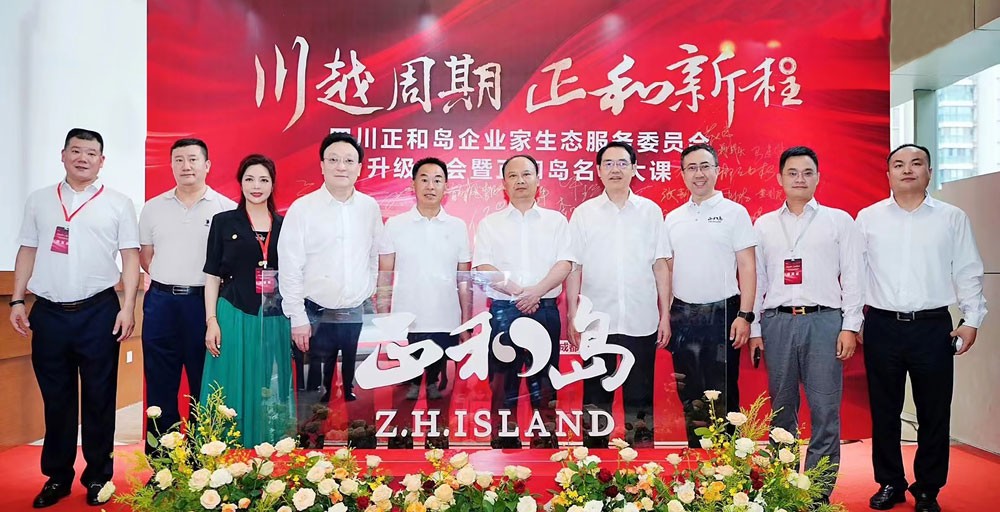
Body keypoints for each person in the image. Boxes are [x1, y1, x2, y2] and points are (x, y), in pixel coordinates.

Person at [9, 128, 140, 508]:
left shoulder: (118, 203)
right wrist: (17, 300)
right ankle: (57, 478)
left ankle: (98, 477)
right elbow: (27, 249)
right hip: (49, 313)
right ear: (63, 155)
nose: (83, 158)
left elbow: (130, 257)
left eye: (91, 153)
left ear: (102, 161)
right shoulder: (40, 200)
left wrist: (128, 307)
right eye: (76, 151)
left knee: (100, 398)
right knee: (57, 400)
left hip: (98, 311)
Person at [858, 144, 987, 512]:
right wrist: (854, 322)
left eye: (916, 163)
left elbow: (968, 271)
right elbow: (855, 274)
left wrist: (971, 320)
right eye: (898, 164)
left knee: (934, 411)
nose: (907, 170)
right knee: (884, 410)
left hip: (933, 327)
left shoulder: (951, 218)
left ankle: (928, 489)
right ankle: (890, 482)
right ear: (888, 175)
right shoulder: (868, 218)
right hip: (881, 325)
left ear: (930, 171)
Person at [747, 146, 864, 501]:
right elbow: (757, 280)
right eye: (792, 172)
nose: (800, 179)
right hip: (778, 323)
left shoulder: (839, 221)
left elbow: (854, 276)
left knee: (825, 411)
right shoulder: (764, 225)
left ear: (818, 177)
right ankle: (781, 489)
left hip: (825, 321)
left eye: (807, 172)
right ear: (780, 178)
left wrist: (850, 326)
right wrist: (755, 329)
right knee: (781, 410)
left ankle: (816, 494)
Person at [566, 141, 671, 448]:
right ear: (598, 171)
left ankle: (643, 466)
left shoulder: (650, 212)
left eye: (622, 163)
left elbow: (661, 265)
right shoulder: (584, 214)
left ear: (634, 169)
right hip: (596, 321)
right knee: (596, 397)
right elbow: (574, 267)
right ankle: (592, 464)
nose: (615, 169)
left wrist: (665, 315)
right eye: (608, 163)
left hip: (641, 319)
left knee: (641, 397)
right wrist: (573, 315)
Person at [138, 138, 235, 454]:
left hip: (204, 305)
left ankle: (203, 460)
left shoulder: (225, 209)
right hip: (161, 303)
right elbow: (146, 256)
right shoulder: (153, 207)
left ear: (207, 165)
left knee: (204, 383)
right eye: (178, 160)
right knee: (159, 383)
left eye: (193, 159)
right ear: (171, 165)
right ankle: (162, 462)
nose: (186, 166)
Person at [473, 154, 575, 448]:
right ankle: (505, 438)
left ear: (537, 180)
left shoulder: (556, 221)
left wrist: (536, 292)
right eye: (513, 175)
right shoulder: (490, 224)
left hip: (544, 310)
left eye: (526, 174)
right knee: (503, 380)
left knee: (545, 379)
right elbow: (483, 266)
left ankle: (544, 438)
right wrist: (520, 293)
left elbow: (565, 263)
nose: (520, 180)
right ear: (504, 184)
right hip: (505, 311)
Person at [662, 142, 757, 447]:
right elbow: (667, 269)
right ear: (682, 174)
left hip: (723, 313)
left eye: (705, 166)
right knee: (690, 393)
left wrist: (745, 315)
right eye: (692, 168)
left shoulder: (735, 213)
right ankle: (697, 461)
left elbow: (748, 266)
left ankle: (729, 464)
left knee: (723, 390)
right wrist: (665, 314)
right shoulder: (673, 218)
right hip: (682, 314)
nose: (699, 174)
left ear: (717, 170)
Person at [279, 132, 383, 406]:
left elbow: (374, 255)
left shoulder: (369, 207)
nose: (341, 167)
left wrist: (368, 289)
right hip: (314, 314)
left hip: (356, 311)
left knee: (359, 393)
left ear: (359, 168)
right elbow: (290, 266)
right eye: (333, 159)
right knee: (313, 398)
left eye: (349, 161)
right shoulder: (303, 209)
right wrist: (297, 317)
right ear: (322, 165)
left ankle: (350, 401)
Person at [201, 154, 294, 446]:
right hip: (234, 315)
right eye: (249, 179)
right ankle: (225, 454)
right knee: (231, 384)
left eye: (263, 180)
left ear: (273, 185)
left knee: (270, 386)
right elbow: (212, 276)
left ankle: (272, 455)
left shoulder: (286, 225)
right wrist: (211, 321)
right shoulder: (223, 222)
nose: (256, 186)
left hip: (276, 318)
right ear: (240, 183)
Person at [376, 157, 472, 402]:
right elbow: (385, 272)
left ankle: (432, 381)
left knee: (439, 353)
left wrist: (466, 320)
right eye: (424, 179)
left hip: (445, 311)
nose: (430, 186)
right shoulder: (396, 225)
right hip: (408, 310)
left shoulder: (458, 226)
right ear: (413, 185)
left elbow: (464, 277)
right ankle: (413, 381)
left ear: (446, 186)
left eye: (437, 180)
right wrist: (383, 315)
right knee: (411, 353)